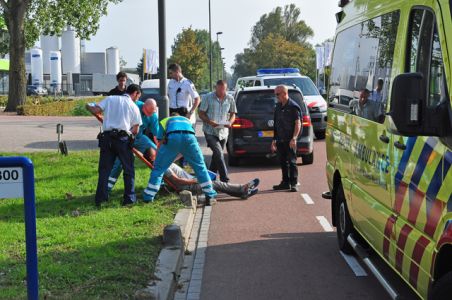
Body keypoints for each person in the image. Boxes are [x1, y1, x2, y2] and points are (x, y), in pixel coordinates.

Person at [142, 112, 217, 205]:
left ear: (171, 116)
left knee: (158, 169)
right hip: (190, 138)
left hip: (173, 137)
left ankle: (148, 197)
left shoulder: (165, 121)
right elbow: (190, 139)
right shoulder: (187, 121)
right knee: (200, 168)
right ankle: (210, 195)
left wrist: (159, 158)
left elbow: (160, 141)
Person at [86, 84, 142, 206]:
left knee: (104, 170)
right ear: (136, 93)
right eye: (138, 97)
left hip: (107, 139)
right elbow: (136, 130)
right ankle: (129, 199)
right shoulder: (134, 106)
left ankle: (101, 199)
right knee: (128, 169)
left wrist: (87, 106)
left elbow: (95, 110)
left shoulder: (110, 99)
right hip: (123, 140)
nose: (138, 99)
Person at [107, 98, 160, 192]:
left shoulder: (153, 116)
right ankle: (107, 188)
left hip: (139, 137)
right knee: (119, 162)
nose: (148, 115)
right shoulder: (133, 106)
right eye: (147, 112)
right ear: (143, 106)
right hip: (125, 138)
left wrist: (159, 148)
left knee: (156, 153)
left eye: (151, 113)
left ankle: (162, 182)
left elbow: (156, 136)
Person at [198, 80, 237, 182]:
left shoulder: (230, 98)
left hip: (223, 132)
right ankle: (225, 179)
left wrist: (230, 122)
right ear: (216, 88)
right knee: (219, 153)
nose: (221, 92)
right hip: (210, 131)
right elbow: (201, 113)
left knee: (216, 156)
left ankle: (210, 180)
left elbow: (233, 113)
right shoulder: (207, 97)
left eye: (223, 90)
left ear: (226, 89)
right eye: (219, 89)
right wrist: (210, 122)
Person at [163, 163, 259, 199]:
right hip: (189, 186)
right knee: (216, 184)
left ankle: (243, 192)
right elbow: (177, 180)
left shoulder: (165, 161)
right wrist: (195, 181)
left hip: (191, 181)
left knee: (217, 184)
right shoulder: (164, 167)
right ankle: (243, 188)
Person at [271, 85, 302, 192]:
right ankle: (285, 182)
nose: (276, 96)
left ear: (284, 93)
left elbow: (298, 123)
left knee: (292, 161)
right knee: (282, 161)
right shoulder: (278, 107)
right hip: (280, 139)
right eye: (275, 94)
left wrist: (294, 138)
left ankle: (294, 183)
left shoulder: (293, 106)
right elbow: (276, 124)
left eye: (277, 94)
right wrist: (274, 140)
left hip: (290, 140)